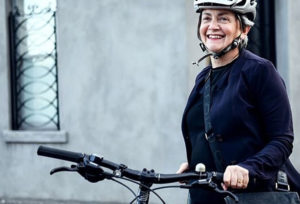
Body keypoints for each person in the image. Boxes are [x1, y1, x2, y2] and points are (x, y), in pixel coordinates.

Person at [176, 0, 300, 203]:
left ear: (244, 29)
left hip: (251, 196)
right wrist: (196, 164)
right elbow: (220, 135)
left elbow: (282, 141)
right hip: (206, 196)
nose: (213, 26)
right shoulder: (203, 78)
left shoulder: (259, 71)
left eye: (223, 18)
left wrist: (248, 169)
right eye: (207, 18)